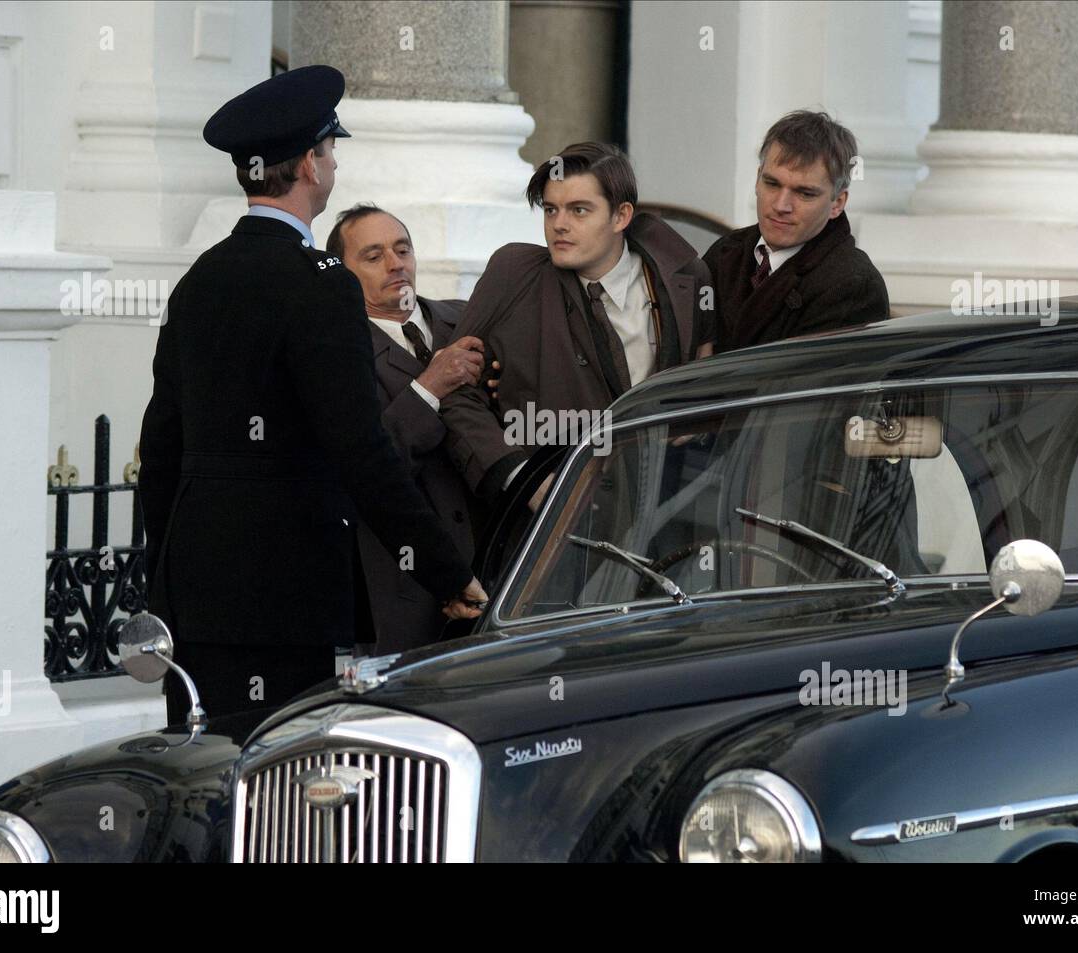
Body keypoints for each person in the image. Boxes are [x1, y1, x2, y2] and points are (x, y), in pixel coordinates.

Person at [139, 65, 486, 727]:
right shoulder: (321, 283)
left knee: (206, 781)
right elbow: (362, 450)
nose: (333, 164)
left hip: (196, 598)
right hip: (285, 598)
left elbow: (159, 453)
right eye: (330, 150)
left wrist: (166, 585)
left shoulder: (199, 281)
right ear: (309, 165)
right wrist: (447, 573)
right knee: (279, 800)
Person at [440, 141, 714, 508]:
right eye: (551, 210)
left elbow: (706, 382)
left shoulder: (686, 278)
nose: (559, 225)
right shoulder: (514, 274)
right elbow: (456, 391)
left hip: (661, 509)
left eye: (579, 210)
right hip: (551, 522)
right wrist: (522, 479)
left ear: (621, 216)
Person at [324, 203, 487, 653]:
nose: (396, 264)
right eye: (374, 256)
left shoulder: (466, 319)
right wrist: (428, 388)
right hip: (409, 591)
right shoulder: (339, 353)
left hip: (502, 573)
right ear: (341, 272)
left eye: (403, 249)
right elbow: (367, 465)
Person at [704, 110, 889, 353]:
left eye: (804, 193)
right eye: (772, 183)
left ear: (837, 203)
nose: (781, 206)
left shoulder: (854, 286)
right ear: (758, 179)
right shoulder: (725, 253)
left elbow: (803, 386)